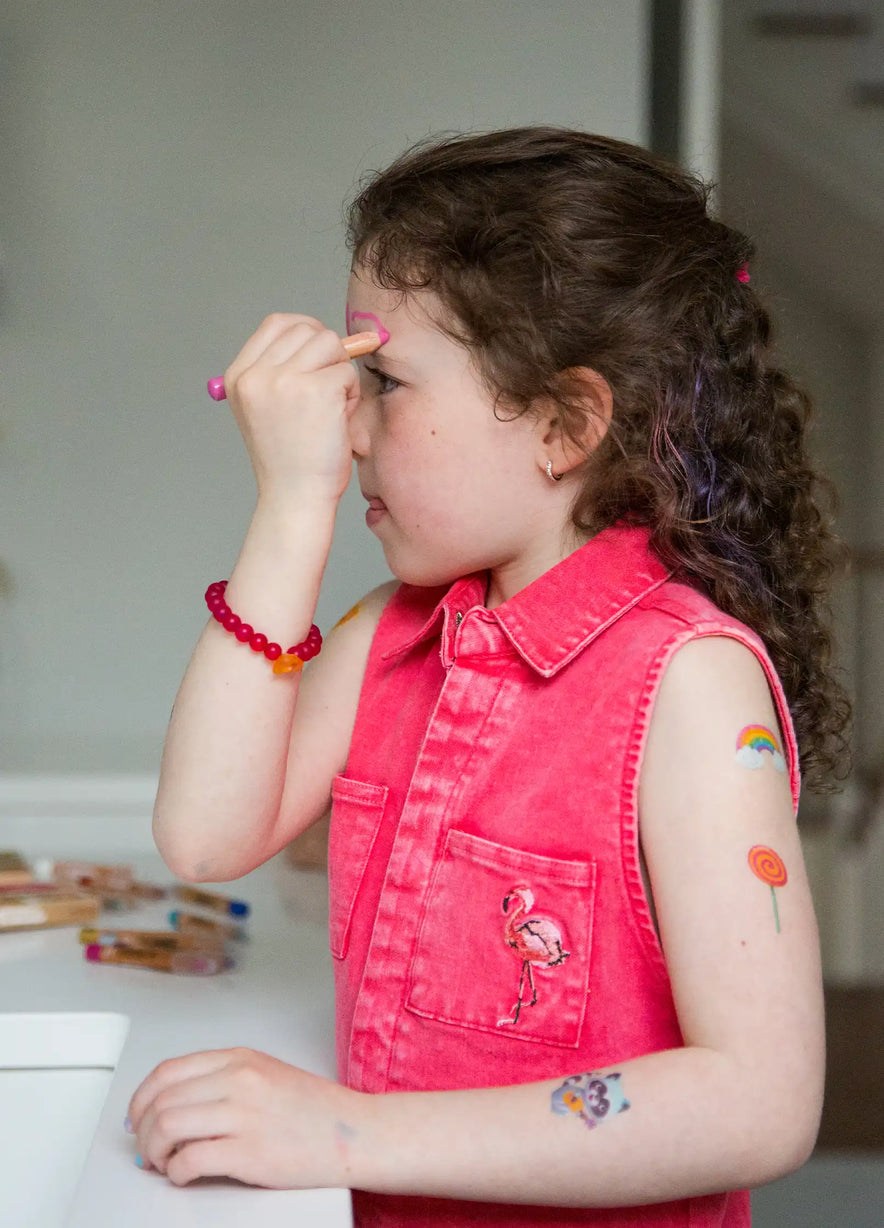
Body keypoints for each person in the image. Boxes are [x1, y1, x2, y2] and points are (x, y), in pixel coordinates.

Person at [126, 127, 851, 1226]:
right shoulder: (396, 633)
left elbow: (759, 1101)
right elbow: (203, 836)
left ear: (562, 423)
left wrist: (339, 1131)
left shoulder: (688, 686)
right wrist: (287, 507)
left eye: (382, 379)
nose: (349, 430)